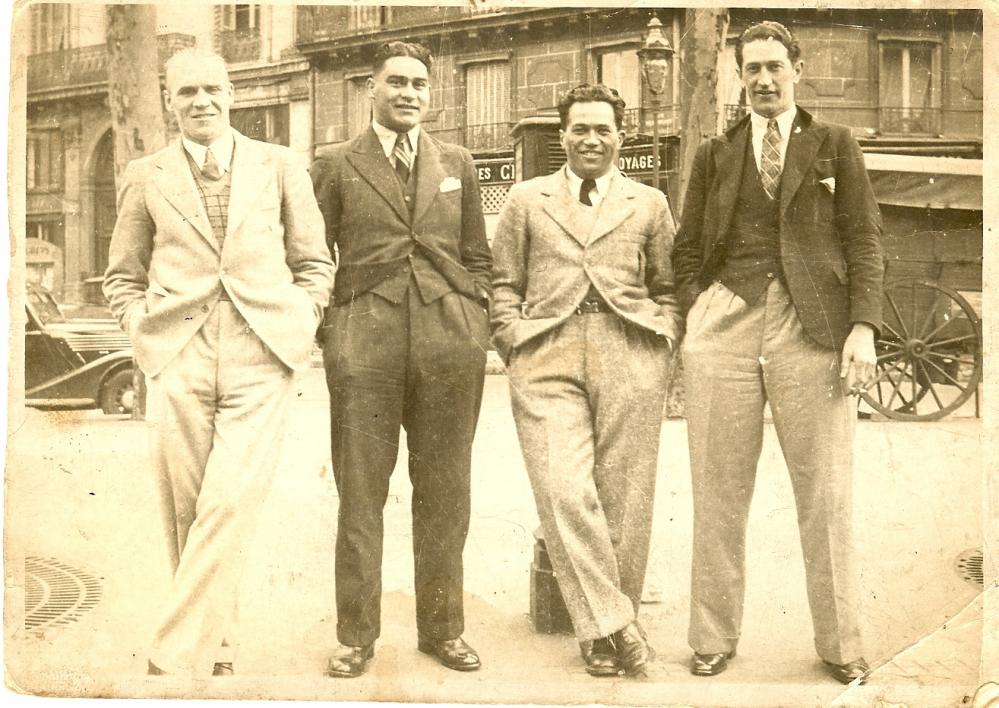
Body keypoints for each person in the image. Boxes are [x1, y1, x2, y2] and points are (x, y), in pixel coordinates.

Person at [103, 49, 334, 676]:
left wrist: (305, 314)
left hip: (262, 351)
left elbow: (314, 261)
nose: (201, 102)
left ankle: (174, 653)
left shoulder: (280, 165)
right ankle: (216, 645)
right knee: (186, 508)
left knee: (228, 501)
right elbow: (121, 275)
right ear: (169, 102)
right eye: (186, 93)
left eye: (212, 90)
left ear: (231, 94)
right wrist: (138, 328)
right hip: (178, 353)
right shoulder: (146, 174)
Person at [672, 21, 883, 684]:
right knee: (715, 490)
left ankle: (840, 643)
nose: (762, 79)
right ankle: (710, 636)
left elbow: (865, 242)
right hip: (725, 323)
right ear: (737, 73)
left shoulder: (834, 144)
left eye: (773, 66)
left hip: (810, 327)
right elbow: (684, 248)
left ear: (797, 67)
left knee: (824, 493)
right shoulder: (714, 154)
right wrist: (695, 313)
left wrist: (862, 328)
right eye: (750, 68)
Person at [311, 41, 492, 678]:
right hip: (365, 341)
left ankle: (442, 630)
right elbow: (310, 255)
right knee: (361, 492)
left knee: (446, 491)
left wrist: (475, 319)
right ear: (372, 88)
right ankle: (356, 636)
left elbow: (478, 255)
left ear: (429, 94)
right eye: (396, 82)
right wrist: (332, 331)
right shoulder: (334, 163)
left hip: (450, 341)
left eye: (419, 83)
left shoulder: (458, 162)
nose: (409, 92)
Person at [491, 84, 682, 677]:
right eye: (580, 129)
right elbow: (503, 283)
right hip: (547, 351)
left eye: (603, 129)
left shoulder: (648, 202)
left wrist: (664, 337)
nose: (591, 139)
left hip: (629, 347)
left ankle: (598, 632)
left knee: (625, 498)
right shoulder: (527, 199)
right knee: (565, 490)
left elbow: (668, 285)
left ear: (620, 136)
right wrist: (513, 339)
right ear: (563, 136)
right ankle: (616, 623)